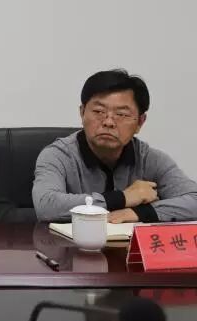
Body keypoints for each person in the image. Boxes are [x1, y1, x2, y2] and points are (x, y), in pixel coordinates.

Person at [33, 69, 197, 223]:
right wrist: (122, 198)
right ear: (82, 113)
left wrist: (140, 213)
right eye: (99, 111)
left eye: (121, 114)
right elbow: (46, 205)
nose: (108, 122)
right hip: (71, 244)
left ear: (140, 122)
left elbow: (193, 199)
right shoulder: (58, 155)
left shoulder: (150, 159)